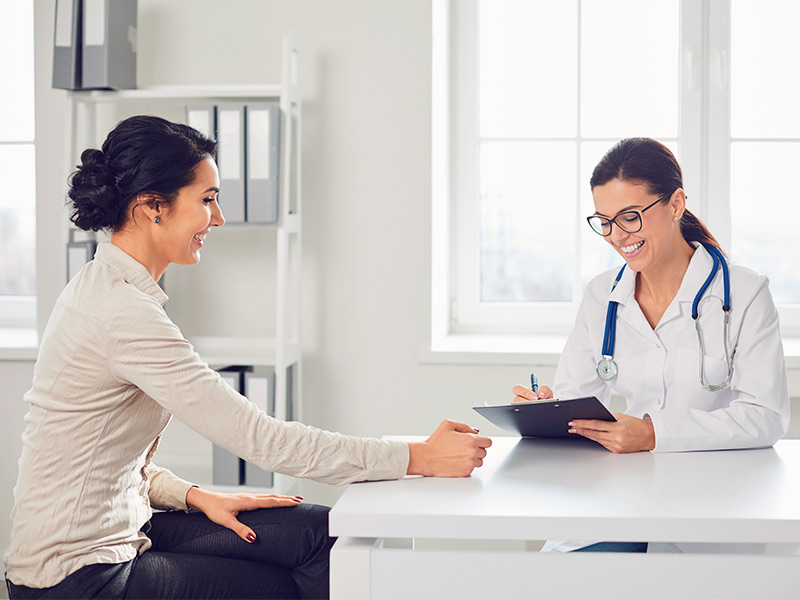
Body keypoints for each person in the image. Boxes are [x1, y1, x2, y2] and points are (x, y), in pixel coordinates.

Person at [4, 115, 492, 599]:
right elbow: (262, 440)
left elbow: (93, 456)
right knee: (286, 585)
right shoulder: (119, 312)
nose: (217, 218)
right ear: (153, 206)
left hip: (124, 529)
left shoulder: (113, 290)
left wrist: (193, 496)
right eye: (207, 200)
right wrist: (416, 457)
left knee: (326, 537)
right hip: (74, 576)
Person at [512, 137, 789, 554]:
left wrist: (653, 433)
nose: (616, 236)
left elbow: (765, 417)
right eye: (604, 221)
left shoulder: (745, 293)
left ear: (675, 204)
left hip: (715, 505)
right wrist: (550, 410)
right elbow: (578, 399)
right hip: (619, 499)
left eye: (630, 217)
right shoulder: (602, 296)